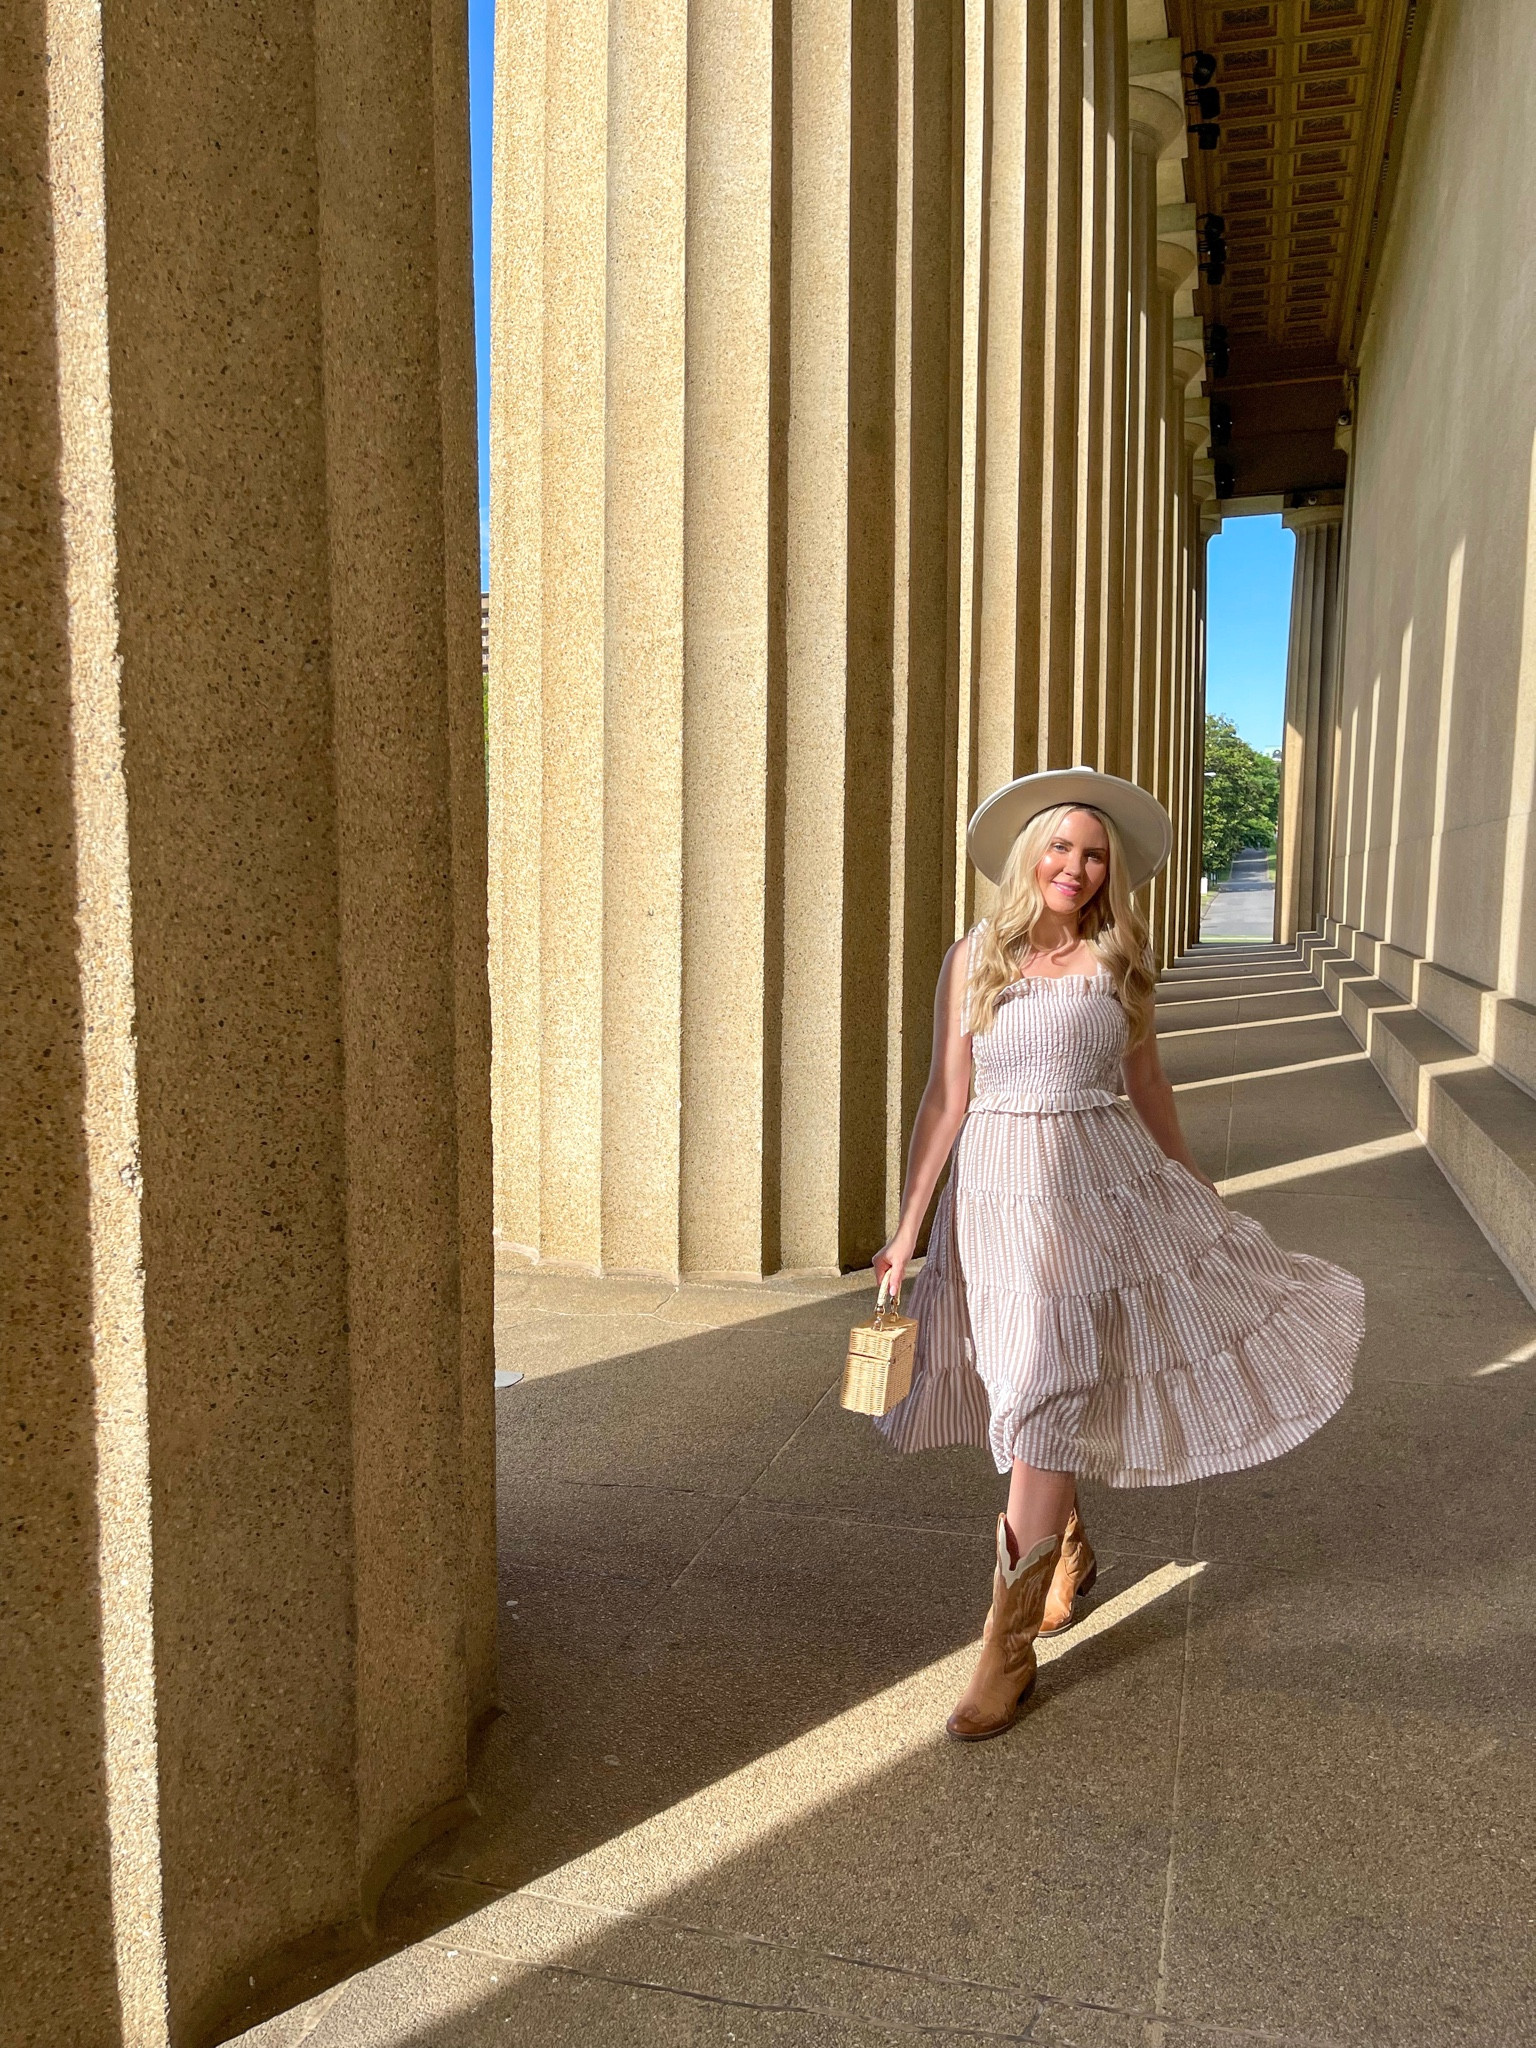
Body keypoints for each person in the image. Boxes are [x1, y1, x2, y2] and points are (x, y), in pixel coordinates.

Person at [872, 767, 1362, 1742]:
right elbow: (945, 1097)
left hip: (1100, 1195)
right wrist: (908, 1224)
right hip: (998, 1201)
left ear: (1108, 873)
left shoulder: (1119, 957)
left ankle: (1003, 1649)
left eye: (1094, 854)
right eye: (1061, 845)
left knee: (1050, 1389)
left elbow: (1148, 1083)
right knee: (1018, 1388)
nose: (1077, 865)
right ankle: (1069, 1548)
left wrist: (1193, 1184)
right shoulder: (976, 955)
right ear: (1030, 854)